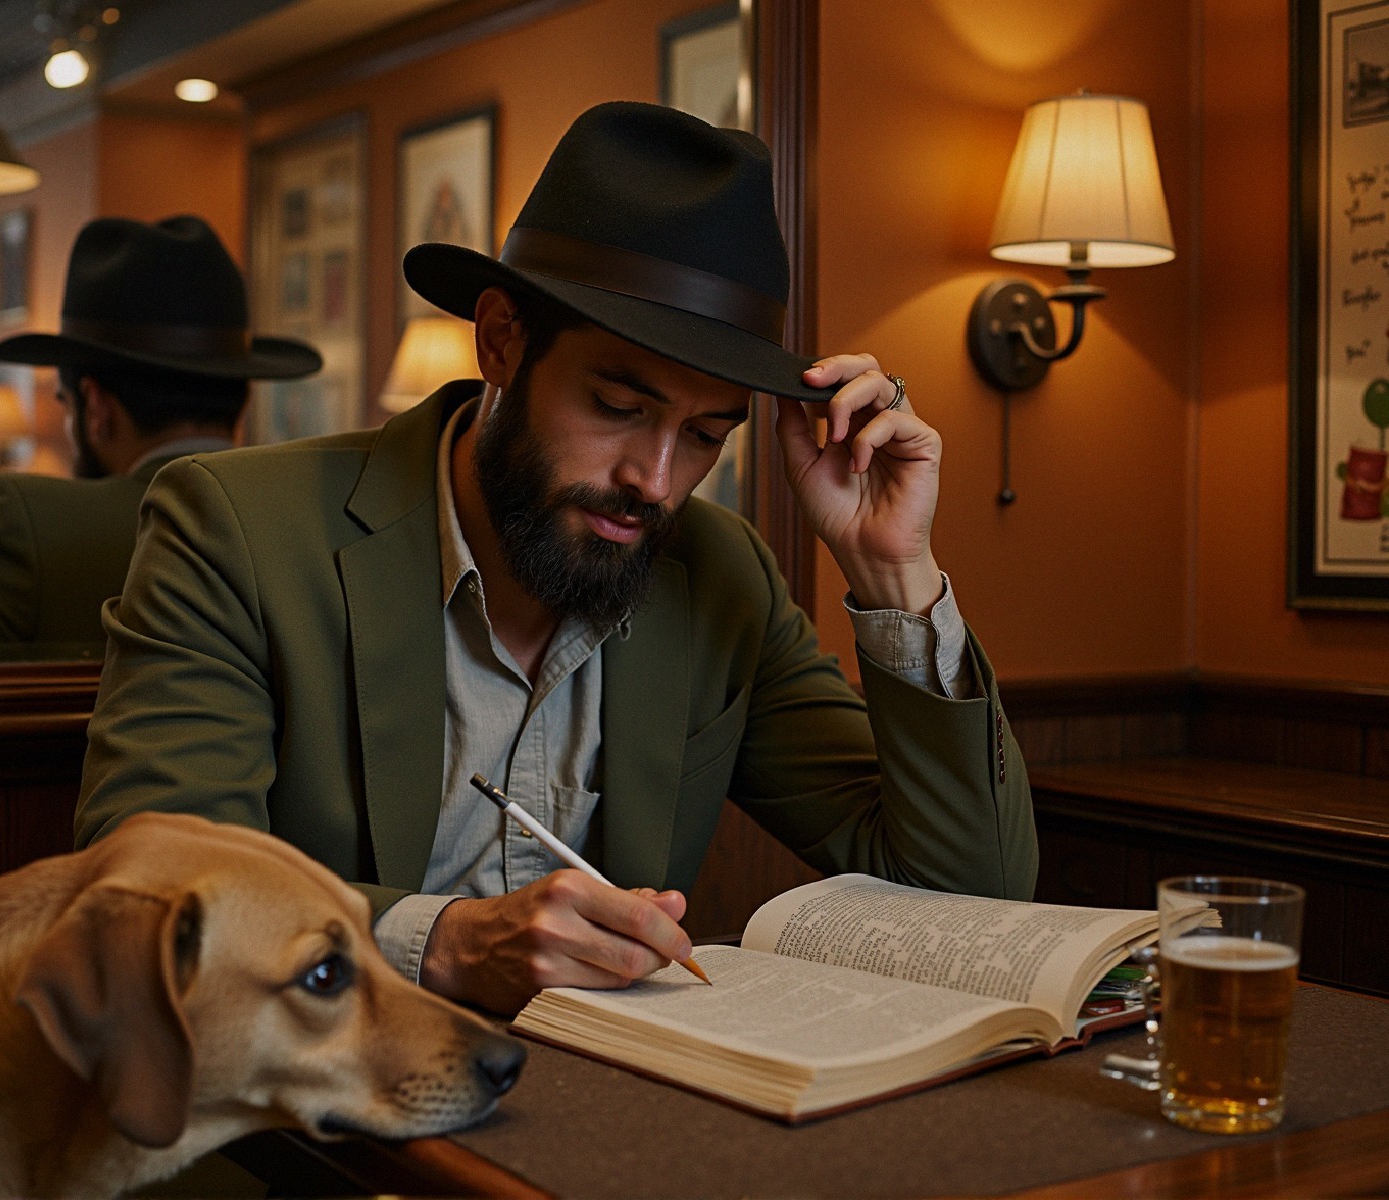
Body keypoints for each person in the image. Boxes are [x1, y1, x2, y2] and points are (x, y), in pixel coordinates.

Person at [76, 103, 1037, 1016]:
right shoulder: (237, 530)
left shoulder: (720, 575)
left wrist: (893, 572)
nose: (654, 481)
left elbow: (973, 896)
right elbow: (151, 892)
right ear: (502, 341)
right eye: (617, 407)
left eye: (707, 435)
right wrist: (445, 944)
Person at [0, 216, 321, 648]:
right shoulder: (315, 524)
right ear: (244, 395)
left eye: (64, 402)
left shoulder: (29, 525)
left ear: (96, 407)